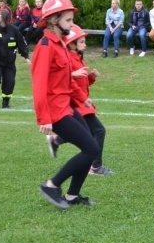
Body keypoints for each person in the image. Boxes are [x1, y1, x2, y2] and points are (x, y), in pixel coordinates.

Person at [32, 0, 100, 208]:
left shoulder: (60, 44)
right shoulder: (45, 46)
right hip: (55, 111)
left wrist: (82, 98)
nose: (72, 24)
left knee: (91, 146)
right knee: (91, 149)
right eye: (68, 20)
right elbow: (39, 84)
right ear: (54, 20)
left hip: (67, 106)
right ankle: (52, 185)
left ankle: (72, 195)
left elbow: (66, 80)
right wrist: (43, 118)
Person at [46, 24, 114, 175]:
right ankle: (95, 167)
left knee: (86, 134)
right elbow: (63, 81)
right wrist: (82, 96)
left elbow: (81, 84)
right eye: (81, 42)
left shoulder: (77, 58)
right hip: (77, 104)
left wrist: (91, 77)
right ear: (71, 43)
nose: (85, 44)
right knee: (99, 131)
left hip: (81, 102)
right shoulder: (69, 59)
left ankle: (56, 140)